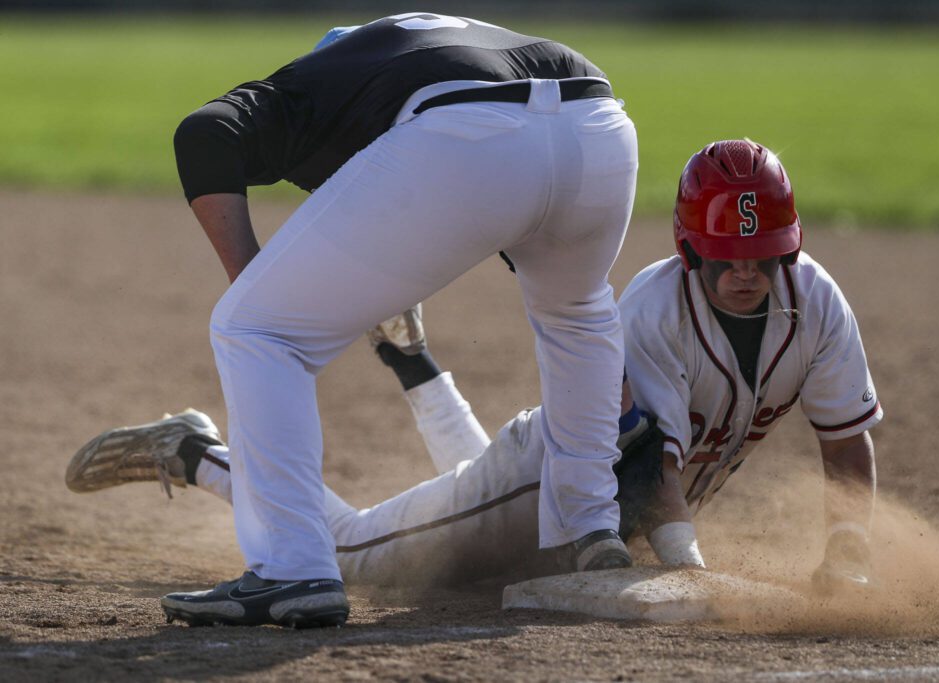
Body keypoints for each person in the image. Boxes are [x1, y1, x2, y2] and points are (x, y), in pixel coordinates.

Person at [68, 139, 880, 623]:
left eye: (763, 255)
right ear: (691, 248)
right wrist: (690, 571)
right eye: (728, 257)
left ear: (789, 249)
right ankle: (197, 450)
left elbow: (848, 440)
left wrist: (850, 552)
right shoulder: (654, 307)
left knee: (474, 499)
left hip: (565, 486)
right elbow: (651, 463)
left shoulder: (817, 303)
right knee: (352, 553)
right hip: (550, 478)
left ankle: (413, 361)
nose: (747, 274)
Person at [165, 13, 639, 626]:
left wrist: (254, 290)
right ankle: (592, 526)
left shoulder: (310, 87)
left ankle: (291, 569)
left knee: (256, 328)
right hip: (599, 125)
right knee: (576, 310)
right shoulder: (418, 54)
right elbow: (521, 187)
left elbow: (203, 133)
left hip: (466, 133)